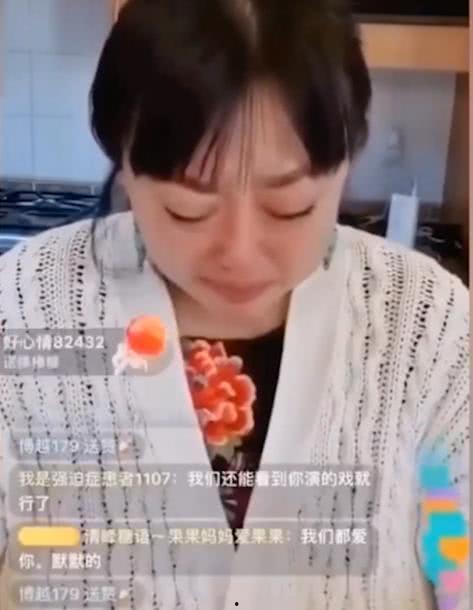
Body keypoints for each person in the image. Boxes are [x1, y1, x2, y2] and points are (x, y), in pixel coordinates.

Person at [0, 1, 469, 609]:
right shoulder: (25, 308)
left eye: (290, 208)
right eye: (187, 211)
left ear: (348, 160)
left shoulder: (426, 323)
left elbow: (458, 554)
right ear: (125, 165)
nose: (240, 254)